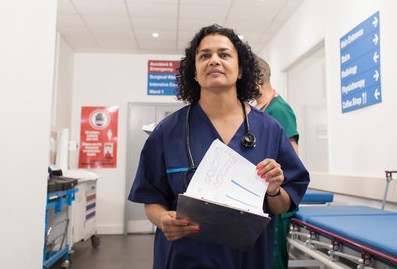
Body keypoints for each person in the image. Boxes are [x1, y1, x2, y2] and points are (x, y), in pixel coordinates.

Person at [128, 24, 309, 269]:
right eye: (204, 55)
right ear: (194, 71)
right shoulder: (167, 131)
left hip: (249, 260)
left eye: (224, 54)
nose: (214, 60)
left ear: (241, 69)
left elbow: (282, 205)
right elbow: (151, 199)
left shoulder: (270, 130)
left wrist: (274, 190)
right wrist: (162, 220)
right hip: (184, 258)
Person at [255, 56, 300, 269]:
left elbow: (292, 160)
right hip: (259, 198)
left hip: (276, 199)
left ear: (256, 80)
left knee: (271, 260)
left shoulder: (278, 109)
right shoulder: (259, 109)